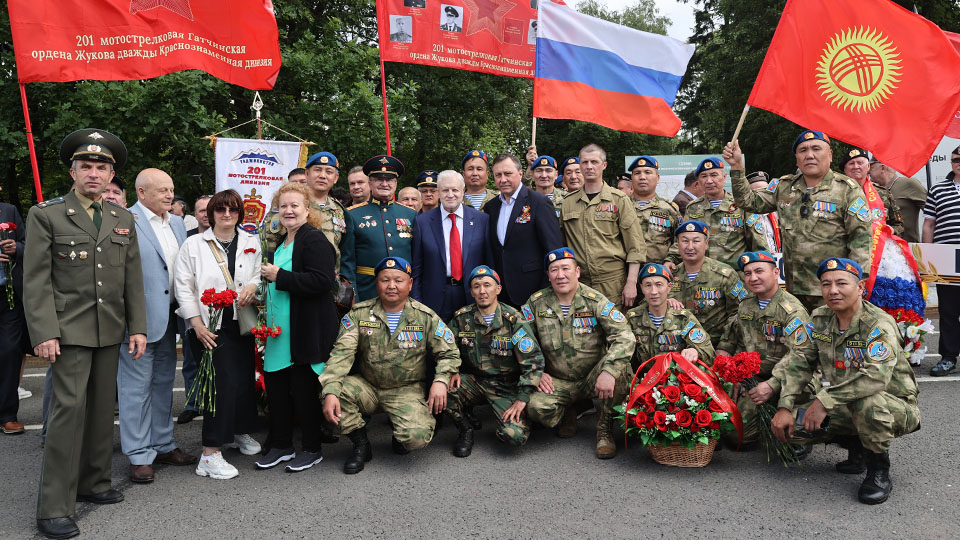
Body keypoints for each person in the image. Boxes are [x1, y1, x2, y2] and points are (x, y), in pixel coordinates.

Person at [25, 129, 147, 539]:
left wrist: (138, 327)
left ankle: (94, 482)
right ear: (73, 172)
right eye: (86, 166)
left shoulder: (121, 217)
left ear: (111, 174)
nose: (93, 173)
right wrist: (45, 331)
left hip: (109, 328)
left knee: (100, 411)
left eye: (101, 167)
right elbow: (36, 280)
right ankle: (54, 507)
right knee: (67, 415)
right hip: (68, 331)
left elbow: (132, 279)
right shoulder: (47, 214)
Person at [770, 257, 920, 505]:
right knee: (792, 427)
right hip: (843, 402)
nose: (833, 290)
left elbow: (876, 377)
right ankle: (857, 447)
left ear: (860, 287)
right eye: (826, 284)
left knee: (866, 403)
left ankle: (878, 471)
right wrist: (785, 405)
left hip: (891, 405)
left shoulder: (878, 324)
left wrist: (823, 401)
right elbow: (801, 362)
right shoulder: (819, 318)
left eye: (841, 283)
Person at [320, 257, 461, 474]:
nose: (391, 285)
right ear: (377, 283)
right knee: (331, 392)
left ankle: (400, 435)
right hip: (368, 387)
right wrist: (330, 391)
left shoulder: (424, 316)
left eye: (398, 280)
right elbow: (341, 354)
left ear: (410, 284)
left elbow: (449, 352)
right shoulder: (359, 314)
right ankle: (361, 444)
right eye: (385, 280)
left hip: (406, 390)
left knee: (416, 437)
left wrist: (441, 381)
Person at [724, 132, 872, 312]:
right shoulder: (785, 186)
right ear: (797, 159)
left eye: (816, 149)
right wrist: (737, 166)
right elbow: (748, 201)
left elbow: (861, 239)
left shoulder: (847, 189)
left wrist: (854, 280)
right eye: (803, 150)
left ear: (830, 155)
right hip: (794, 290)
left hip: (832, 290)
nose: (809, 155)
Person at [174, 189, 261, 480]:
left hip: (241, 322)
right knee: (219, 386)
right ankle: (210, 454)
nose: (227, 214)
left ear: (240, 213)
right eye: (220, 209)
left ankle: (238, 431)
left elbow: (257, 275)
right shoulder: (194, 244)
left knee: (243, 382)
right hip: (209, 326)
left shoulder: (250, 240)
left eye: (233, 210)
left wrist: (253, 286)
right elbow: (183, 287)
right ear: (210, 213)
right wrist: (196, 324)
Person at [254, 182, 338, 472]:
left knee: (303, 392)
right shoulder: (282, 241)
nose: (288, 211)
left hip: (303, 329)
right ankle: (281, 445)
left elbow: (323, 282)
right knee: (277, 390)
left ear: (307, 209)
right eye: (283, 206)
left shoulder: (314, 240)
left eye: (294, 206)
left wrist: (281, 276)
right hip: (279, 331)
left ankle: (312, 448)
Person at [119, 168, 195, 485]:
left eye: (171, 189)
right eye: (162, 190)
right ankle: (139, 455)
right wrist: (131, 321)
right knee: (135, 390)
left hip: (171, 318)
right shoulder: (125, 221)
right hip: (139, 321)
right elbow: (118, 276)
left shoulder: (176, 222)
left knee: (163, 384)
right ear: (141, 192)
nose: (169, 195)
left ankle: (163, 444)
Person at [523, 247, 635, 459]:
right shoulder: (536, 302)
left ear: (577, 271)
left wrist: (609, 371)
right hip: (558, 380)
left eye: (566, 268)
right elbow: (522, 340)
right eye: (554, 270)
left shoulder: (595, 300)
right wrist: (536, 371)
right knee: (535, 407)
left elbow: (624, 336)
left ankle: (605, 427)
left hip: (593, 376)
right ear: (548, 275)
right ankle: (568, 409)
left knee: (621, 370)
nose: (560, 275)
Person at [715, 251, 814, 447]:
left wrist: (772, 386)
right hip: (756, 380)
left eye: (759, 271)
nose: (753, 278)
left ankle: (796, 420)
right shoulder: (746, 306)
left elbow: (801, 358)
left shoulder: (791, 311)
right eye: (748, 273)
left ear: (776, 272)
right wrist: (734, 376)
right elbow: (732, 342)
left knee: (793, 432)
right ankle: (769, 421)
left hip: (791, 381)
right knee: (736, 436)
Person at [446, 265, 544, 456]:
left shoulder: (514, 320)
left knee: (513, 436)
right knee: (444, 387)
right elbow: (446, 348)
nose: (482, 291)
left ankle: (526, 420)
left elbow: (533, 362)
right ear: (471, 292)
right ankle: (465, 429)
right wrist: (452, 371)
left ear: (498, 289)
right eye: (476, 286)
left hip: (506, 386)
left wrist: (522, 399)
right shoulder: (462, 318)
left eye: (487, 285)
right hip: (475, 381)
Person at [560, 143, 646, 309]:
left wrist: (631, 283)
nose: (589, 166)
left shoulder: (619, 199)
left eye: (594, 162)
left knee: (615, 325)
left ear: (604, 165)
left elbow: (635, 245)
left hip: (613, 283)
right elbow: (562, 244)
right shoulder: (568, 203)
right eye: (585, 162)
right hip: (580, 283)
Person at [263, 152, 355, 292]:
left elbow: (345, 254)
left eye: (329, 172)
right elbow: (268, 250)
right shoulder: (288, 206)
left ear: (336, 178)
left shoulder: (339, 210)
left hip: (330, 287)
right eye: (317, 170)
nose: (322, 175)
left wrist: (349, 287)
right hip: (291, 285)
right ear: (307, 173)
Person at [411, 170, 492, 321]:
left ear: (463, 191)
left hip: (472, 295)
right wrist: (417, 303)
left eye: (455, 190)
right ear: (438, 192)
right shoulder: (422, 222)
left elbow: (489, 262)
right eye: (445, 190)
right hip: (434, 298)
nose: (450, 195)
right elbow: (417, 269)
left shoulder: (482, 220)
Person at [483, 154, 562, 307]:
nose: (503, 179)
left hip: (534, 292)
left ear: (520, 174)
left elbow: (553, 250)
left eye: (508, 173)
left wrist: (546, 290)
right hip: (501, 293)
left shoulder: (539, 202)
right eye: (498, 175)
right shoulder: (491, 207)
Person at [349, 155, 418, 301]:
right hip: (367, 289)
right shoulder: (353, 214)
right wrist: (353, 294)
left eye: (389, 179)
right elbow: (347, 261)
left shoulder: (410, 214)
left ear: (396, 183)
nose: (384, 183)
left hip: (403, 291)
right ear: (370, 183)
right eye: (379, 179)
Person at [668, 221, 746, 349]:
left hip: (715, 347)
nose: (690, 247)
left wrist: (725, 346)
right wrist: (663, 302)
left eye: (696, 241)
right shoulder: (669, 276)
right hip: (677, 349)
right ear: (678, 244)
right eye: (685, 241)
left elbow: (740, 312)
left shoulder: (724, 274)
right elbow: (649, 305)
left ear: (706, 243)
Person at [676, 157, 764, 271]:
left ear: (724, 177)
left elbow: (758, 243)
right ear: (698, 182)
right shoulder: (692, 208)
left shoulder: (742, 205)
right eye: (704, 176)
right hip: (703, 275)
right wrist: (670, 260)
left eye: (714, 175)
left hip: (735, 275)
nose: (709, 181)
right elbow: (682, 240)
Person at [626, 263, 714, 370]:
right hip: (643, 378)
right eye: (648, 285)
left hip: (676, 378)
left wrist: (695, 351)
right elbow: (622, 354)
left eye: (659, 285)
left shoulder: (683, 318)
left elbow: (708, 351)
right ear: (642, 288)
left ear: (669, 287)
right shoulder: (632, 318)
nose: (653, 292)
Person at [922, 144, 960, 376]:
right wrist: (927, 256)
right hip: (946, 258)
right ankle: (948, 358)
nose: (958, 163)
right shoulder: (937, 189)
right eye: (955, 159)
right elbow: (929, 224)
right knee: (948, 311)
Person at [178, 193, 213, 425]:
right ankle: (193, 403)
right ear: (195, 214)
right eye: (201, 210)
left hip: (219, 307)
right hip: (190, 306)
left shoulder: (228, 237)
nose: (206, 214)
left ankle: (216, 401)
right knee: (191, 358)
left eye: (210, 210)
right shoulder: (186, 238)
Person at [0, 195, 27, 435]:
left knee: (10, 352)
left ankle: (8, 415)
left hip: (8, 296)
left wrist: (16, 248)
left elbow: (29, 245)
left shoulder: (9, 210)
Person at [839, 148, 903, 237]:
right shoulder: (836, 193)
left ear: (868, 166)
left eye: (860, 163)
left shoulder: (883, 194)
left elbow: (899, 225)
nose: (856, 166)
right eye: (851, 163)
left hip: (879, 243)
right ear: (845, 169)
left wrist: (892, 230)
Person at [630, 156, 681, 264]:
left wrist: (670, 260)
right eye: (637, 173)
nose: (642, 177)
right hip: (624, 271)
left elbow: (680, 240)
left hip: (659, 271)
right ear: (632, 178)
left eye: (648, 172)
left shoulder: (669, 209)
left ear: (657, 178)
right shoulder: (621, 206)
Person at [870, 159, 927, 243]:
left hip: (907, 245)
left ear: (883, 168)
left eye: (871, 167)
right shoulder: (872, 190)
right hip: (880, 245)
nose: (868, 170)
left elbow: (931, 214)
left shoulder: (909, 184)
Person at [744, 172, 781, 253]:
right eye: (760, 193)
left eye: (766, 191)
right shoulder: (743, 215)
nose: (765, 196)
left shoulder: (776, 213)